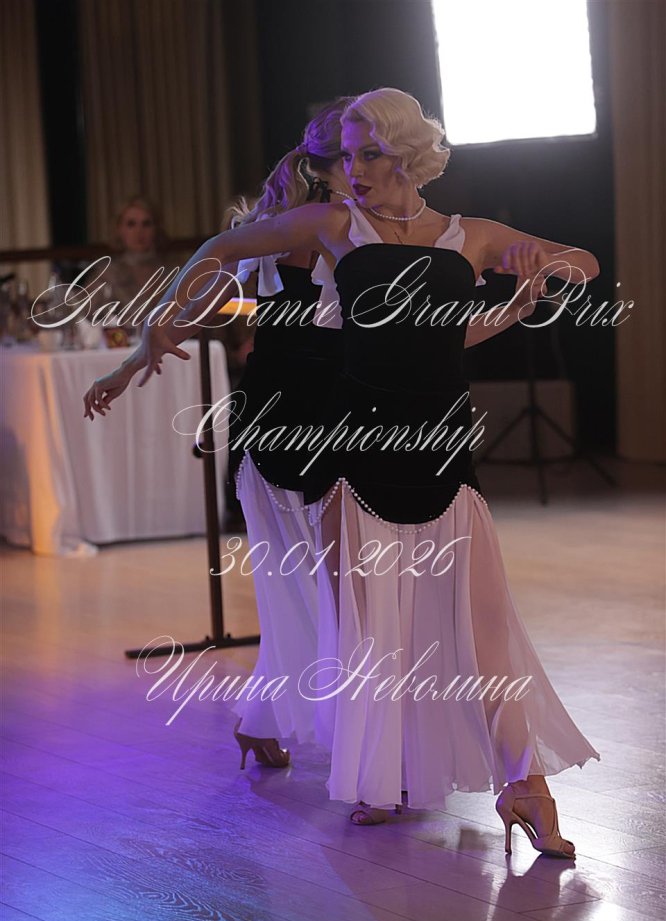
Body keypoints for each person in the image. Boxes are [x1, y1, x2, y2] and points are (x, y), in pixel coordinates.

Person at [84, 87, 597, 858]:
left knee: (486, 629)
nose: (353, 169)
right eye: (347, 155)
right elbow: (220, 249)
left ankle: (526, 783)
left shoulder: (472, 235)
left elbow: (580, 265)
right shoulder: (334, 226)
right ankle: (381, 777)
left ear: (409, 155)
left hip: (442, 450)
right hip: (352, 451)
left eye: (370, 154)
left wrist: (536, 272)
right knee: (366, 634)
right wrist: (156, 332)